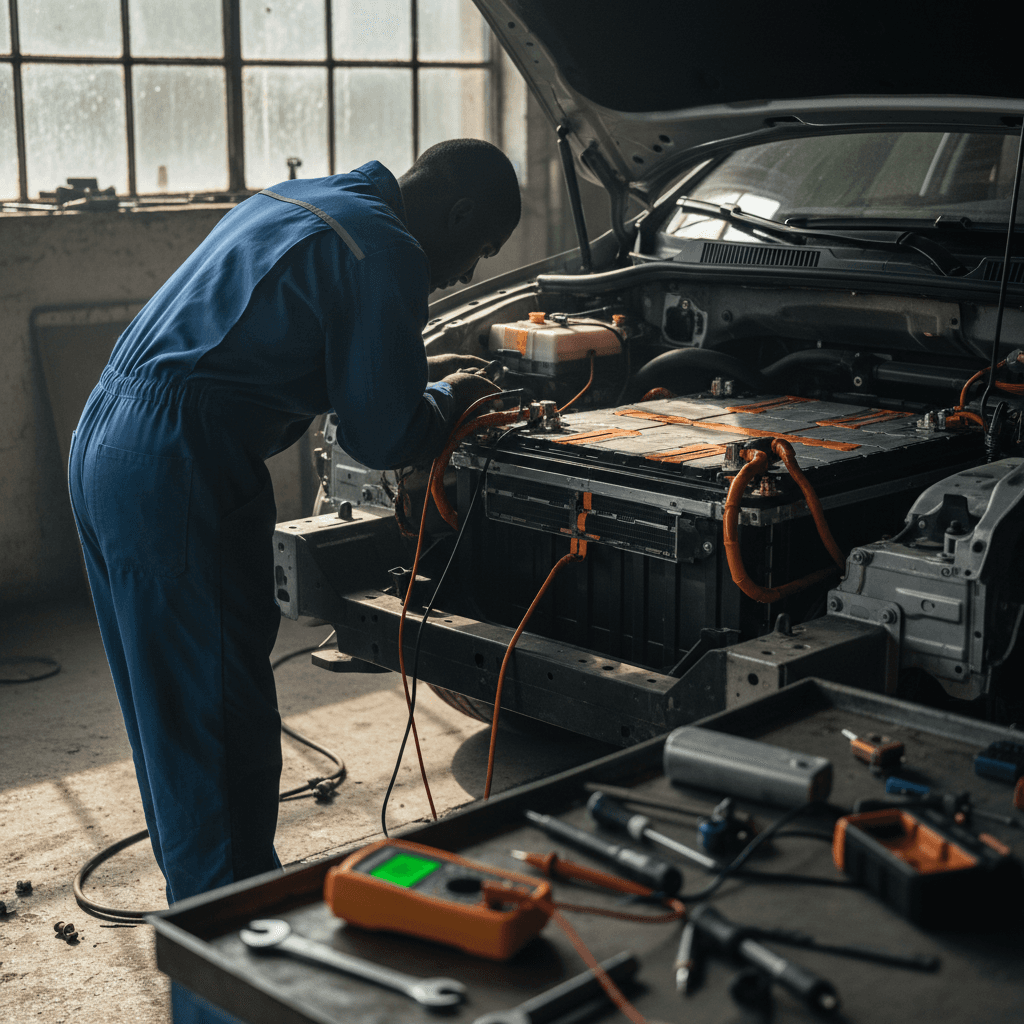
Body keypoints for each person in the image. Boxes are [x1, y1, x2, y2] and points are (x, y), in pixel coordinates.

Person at [67, 138, 520, 1023]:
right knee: (220, 740)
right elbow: (384, 435)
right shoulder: (384, 246)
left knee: (173, 727)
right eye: (478, 252)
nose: (464, 275)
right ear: (460, 216)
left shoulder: (300, 199)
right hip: (181, 463)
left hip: (108, 438)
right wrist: (452, 396)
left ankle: (214, 959)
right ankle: (229, 997)